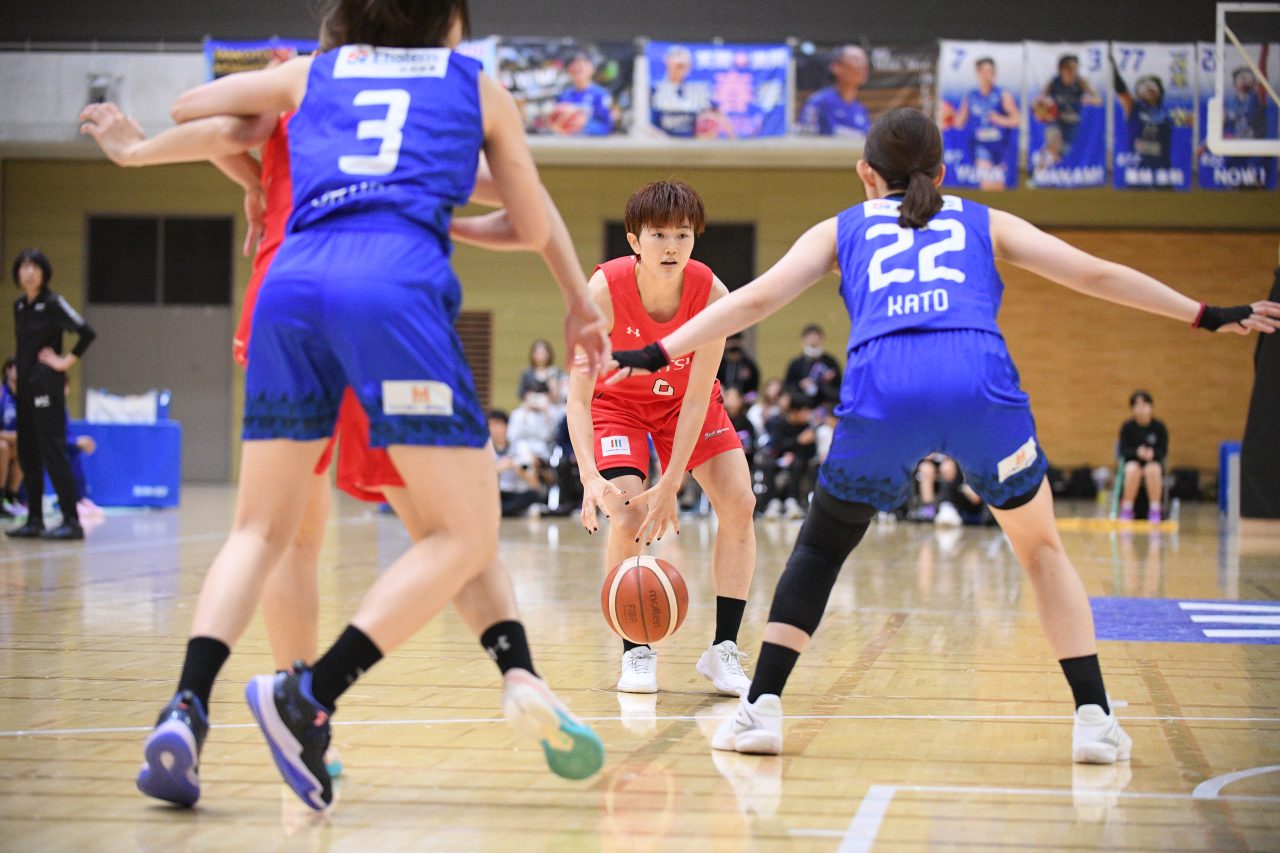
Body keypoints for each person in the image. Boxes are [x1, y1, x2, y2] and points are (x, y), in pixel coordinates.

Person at [606, 107, 1280, 764]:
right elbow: (1092, 273)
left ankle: (761, 710)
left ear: (865, 173)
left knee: (820, 549)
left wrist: (658, 350)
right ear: (943, 171)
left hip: (886, 385)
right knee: (1042, 549)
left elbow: (752, 300)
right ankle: (1095, 720)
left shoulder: (841, 228)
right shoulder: (982, 219)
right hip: (978, 382)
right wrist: (1206, 314)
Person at [83, 0, 610, 812]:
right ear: (450, 24)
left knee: (262, 531)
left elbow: (199, 110)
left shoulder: (314, 74)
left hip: (288, 286)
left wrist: (213, 141)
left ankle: (187, 704)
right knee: (463, 530)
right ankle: (314, 694)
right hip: (390, 291)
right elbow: (531, 219)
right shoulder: (474, 85)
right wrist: (574, 300)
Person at [567, 179, 757, 697]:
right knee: (628, 513)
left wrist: (673, 480)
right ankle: (635, 650)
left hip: (682, 405)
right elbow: (577, 398)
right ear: (634, 240)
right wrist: (589, 477)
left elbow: (697, 400)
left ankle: (723, 651)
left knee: (739, 502)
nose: (671, 246)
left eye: (682, 234)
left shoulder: (713, 296)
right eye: (658, 235)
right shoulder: (602, 293)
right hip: (618, 405)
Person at [8, 249, 96, 541]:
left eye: (34, 267)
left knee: (53, 451)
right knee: (28, 454)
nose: (29, 272)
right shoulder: (20, 306)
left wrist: (64, 362)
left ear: (44, 272)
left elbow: (86, 332)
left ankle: (72, 521)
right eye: (24, 266)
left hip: (46, 389)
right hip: (24, 391)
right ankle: (35, 519)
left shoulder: (53, 303)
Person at [955, 57, 1021, 190]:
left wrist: (1000, 119)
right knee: (987, 182)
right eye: (985, 72)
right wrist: (950, 115)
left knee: (999, 186)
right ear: (978, 73)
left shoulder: (1002, 95)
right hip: (981, 146)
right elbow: (959, 123)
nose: (988, 75)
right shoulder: (971, 96)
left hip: (1001, 147)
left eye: (991, 72)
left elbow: (1017, 120)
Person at [759, 393, 817, 519]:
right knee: (767, 465)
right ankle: (773, 502)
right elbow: (775, 445)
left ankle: (792, 501)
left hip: (799, 459)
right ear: (795, 411)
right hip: (778, 458)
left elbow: (811, 451)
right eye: (804, 411)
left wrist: (797, 450)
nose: (807, 415)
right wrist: (798, 441)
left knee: (798, 464)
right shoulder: (779, 423)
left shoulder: (807, 427)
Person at [798, 45, 871, 141]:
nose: (863, 65)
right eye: (856, 60)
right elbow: (805, 135)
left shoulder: (860, 108)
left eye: (865, 61)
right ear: (836, 67)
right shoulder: (819, 102)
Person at [1035, 54, 1102, 157]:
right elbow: (1039, 99)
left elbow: (1099, 100)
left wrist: (1089, 100)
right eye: (1069, 69)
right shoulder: (1053, 82)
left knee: (1062, 153)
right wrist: (1042, 105)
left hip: (1072, 122)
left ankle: (1048, 160)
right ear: (1061, 70)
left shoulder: (1081, 82)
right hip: (1056, 119)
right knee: (1054, 141)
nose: (1072, 73)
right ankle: (1040, 160)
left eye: (1075, 69)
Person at [1117, 390, 1168, 522]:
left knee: (1153, 469)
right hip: (1133, 462)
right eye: (1137, 405)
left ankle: (1155, 509)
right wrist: (1137, 452)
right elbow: (1123, 450)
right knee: (1132, 469)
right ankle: (1127, 508)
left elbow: (1163, 451)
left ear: (1151, 407)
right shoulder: (1128, 427)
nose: (1141, 409)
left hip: (1152, 462)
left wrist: (1153, 453)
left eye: (1144, 405)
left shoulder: (1159, 427)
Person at [490, 409, 543, 516]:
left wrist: (520, 471)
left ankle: (501, 511)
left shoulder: (520, 447)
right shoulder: (485, 449)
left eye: (498, 425)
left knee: (533, 495)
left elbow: (535, 484)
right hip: (495, 493)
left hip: (515, 492)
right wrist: (497, 469)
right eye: (491, 425)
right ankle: (504, 510)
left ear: (507, 426)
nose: (495, 429)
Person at [651, 45, 711, 138]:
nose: (681, 70)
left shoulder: (698, 89)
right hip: (662, 142)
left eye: (685, 66)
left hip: (691, 143)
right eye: (678, 66)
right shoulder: (655, 89)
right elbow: (645, 123)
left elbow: (715, 117)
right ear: (667, 63)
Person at [551, 52, 613, 136]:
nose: (577, 67)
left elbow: (607, 126)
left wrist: (584, 124)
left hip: (590, 141)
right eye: (575, 69)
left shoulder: (600, 95)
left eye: (581, 69)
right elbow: (556, 125)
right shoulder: (564, 95)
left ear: (592, 69)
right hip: (568, 141)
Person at [783, 324, 840, 409]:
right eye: (809, 338)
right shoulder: (796, 364)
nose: (813, 341)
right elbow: (788, 387)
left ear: (822, 339)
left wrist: (824, 383)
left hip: (826, 406)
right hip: (802, 407)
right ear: (803, 341)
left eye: (816, 338)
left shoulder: (830, 362)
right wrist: (800, 385)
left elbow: (838, 388)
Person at [0, 358, 21, 516]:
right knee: (3, 448)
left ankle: (11, 497)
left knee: (26, 448)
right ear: (8, 370)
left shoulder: (24, 396)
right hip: (3, 441)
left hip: (13, 440)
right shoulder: (2, 393)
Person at [517, 338, 567, 405]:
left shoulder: (555, 372)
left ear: (549, 354)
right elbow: (521, 393)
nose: (541, 356)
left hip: (552, 405)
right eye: (538, 353)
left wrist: (555, 386)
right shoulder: (527, 373)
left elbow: (563, 392)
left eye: (543, 353)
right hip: (532, 405)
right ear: (533, 355)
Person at [716, 333, 759, 399]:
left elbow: (754, 393)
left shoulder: (750, 365)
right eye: (730, 342)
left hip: (743, 402)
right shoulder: (719, 364)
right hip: (721, 399)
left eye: (736, 341)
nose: (733, 344)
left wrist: (742, 399)